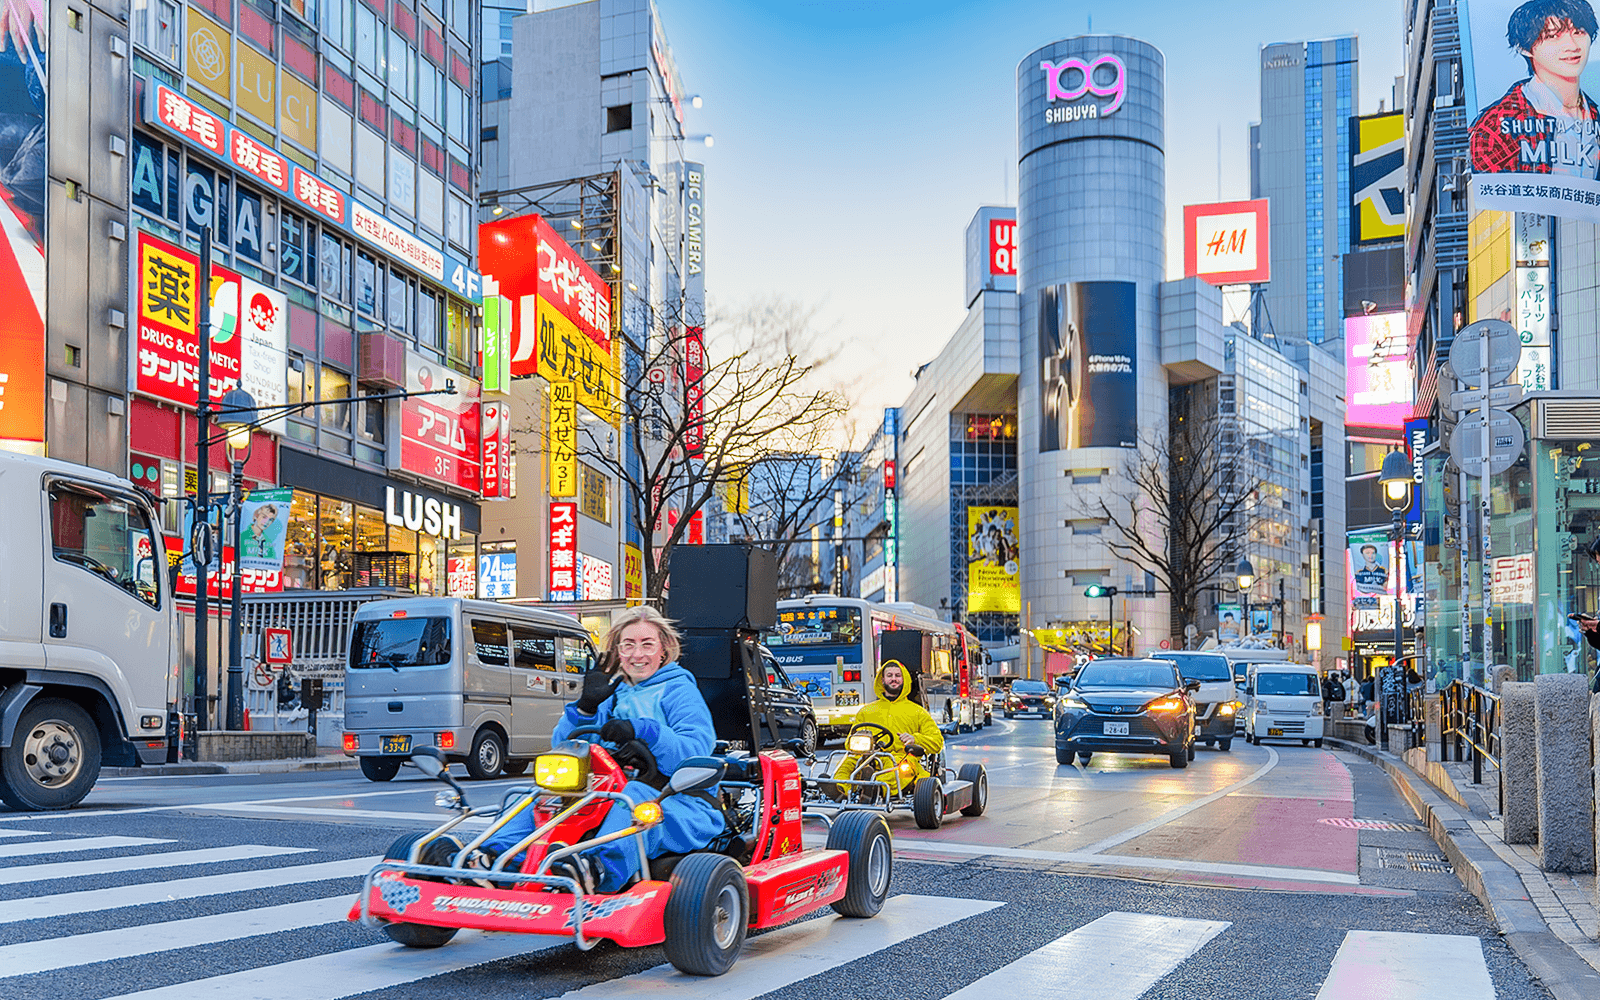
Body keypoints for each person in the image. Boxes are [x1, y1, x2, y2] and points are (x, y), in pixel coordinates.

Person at [481, 607, 724, 893]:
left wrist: (645, 730)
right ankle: (493, 859)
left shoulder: (678, 689)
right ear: (617, 650)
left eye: (647, 644)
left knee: (632, 798)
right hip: (606, 790)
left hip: (676, 800)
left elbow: (695, 750)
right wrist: (586, 707)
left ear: (664, 649)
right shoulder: (614, 691)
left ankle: (596, 870)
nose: (638, 655)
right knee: (542, 797)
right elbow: (565, 744)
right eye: (628, 645)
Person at [1469, 0, 1600, 177]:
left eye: (1578, 32)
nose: (1572, 45)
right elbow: (1490, 199)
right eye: (1554, 36)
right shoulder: (1496, 127)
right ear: (1525, 48)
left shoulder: (1594, 116)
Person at [831, 660, 945, 796]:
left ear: (904, 679)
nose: (894, 679)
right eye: (889, 675)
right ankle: (839, 790)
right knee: (847, 763)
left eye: (898, 675)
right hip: (867, 756)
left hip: (901, 757)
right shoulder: (866, 711)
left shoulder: (917, 711)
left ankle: (875, 789)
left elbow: (937, 741)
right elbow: (850, 741)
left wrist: (915, 739)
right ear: (882, 680)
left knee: (898, 770)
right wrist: (857, 742)